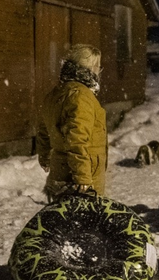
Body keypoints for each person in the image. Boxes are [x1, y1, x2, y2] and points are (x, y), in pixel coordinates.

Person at [36, 44, 108, 202]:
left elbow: (43, 130)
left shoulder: (55, 93)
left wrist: (45, 157)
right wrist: (82, 177)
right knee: (85, 220)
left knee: (65, 219)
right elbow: (77, 139)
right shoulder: (81, 96)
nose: (99, 72)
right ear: (90, 68)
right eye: (98, 67)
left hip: (60, 168)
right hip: (82, 172)